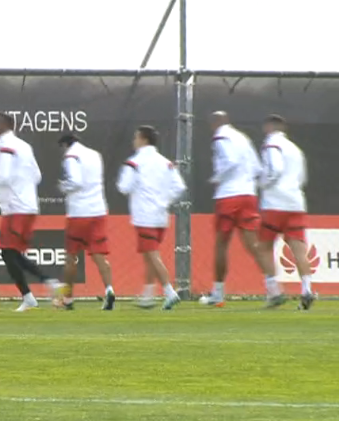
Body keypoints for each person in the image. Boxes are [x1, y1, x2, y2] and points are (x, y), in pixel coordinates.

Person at [202, 111, 285, 308]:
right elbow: (257, 168)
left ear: (215, 123)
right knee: (254, 244)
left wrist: (217, 178)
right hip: (248, 195)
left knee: (221, 244)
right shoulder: (242, 137)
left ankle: (218, 293)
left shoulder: (220, 136)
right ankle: (273, 288)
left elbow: (230, 162)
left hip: (228, 196)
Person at [0, 113, 60, 312]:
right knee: (11, 253)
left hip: (15, 207)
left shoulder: (5, 146)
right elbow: (37, 176)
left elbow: (3, 177)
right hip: (28, 205)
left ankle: (45, 284)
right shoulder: (24, 146)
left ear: (4, 125)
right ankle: (37, 291)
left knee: (7, 252)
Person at [117, 126, 186, 310]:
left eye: (136, 137)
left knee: (153, 255)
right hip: (161, 215)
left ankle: (170, 291)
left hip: (144, 216)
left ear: (143, 139)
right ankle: (148, 295)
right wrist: (164, 200)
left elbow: (124, 187)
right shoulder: (165, 162)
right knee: (150, 255)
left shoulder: (134, 163)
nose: (134, 141)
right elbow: (179, 187)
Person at [256, 115, 315, 310]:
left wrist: (261, 184)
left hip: (275, 203)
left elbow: (274, 170)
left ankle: (274, 291)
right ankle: (307, 289)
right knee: (298, 249)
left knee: (263, 247)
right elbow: (302, 177)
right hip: (295, 203)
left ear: (270, 126)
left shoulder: (271, 144)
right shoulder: (296, 149)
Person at [56, 134, 116, 310]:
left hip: (79, 212)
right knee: (99, 255)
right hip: (98, 210)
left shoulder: (71, 156)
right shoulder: (95, 155)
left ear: (65, 145)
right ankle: (110, 290)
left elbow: (75, 182)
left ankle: (67, 299)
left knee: (71, 257)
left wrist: (63, 186)